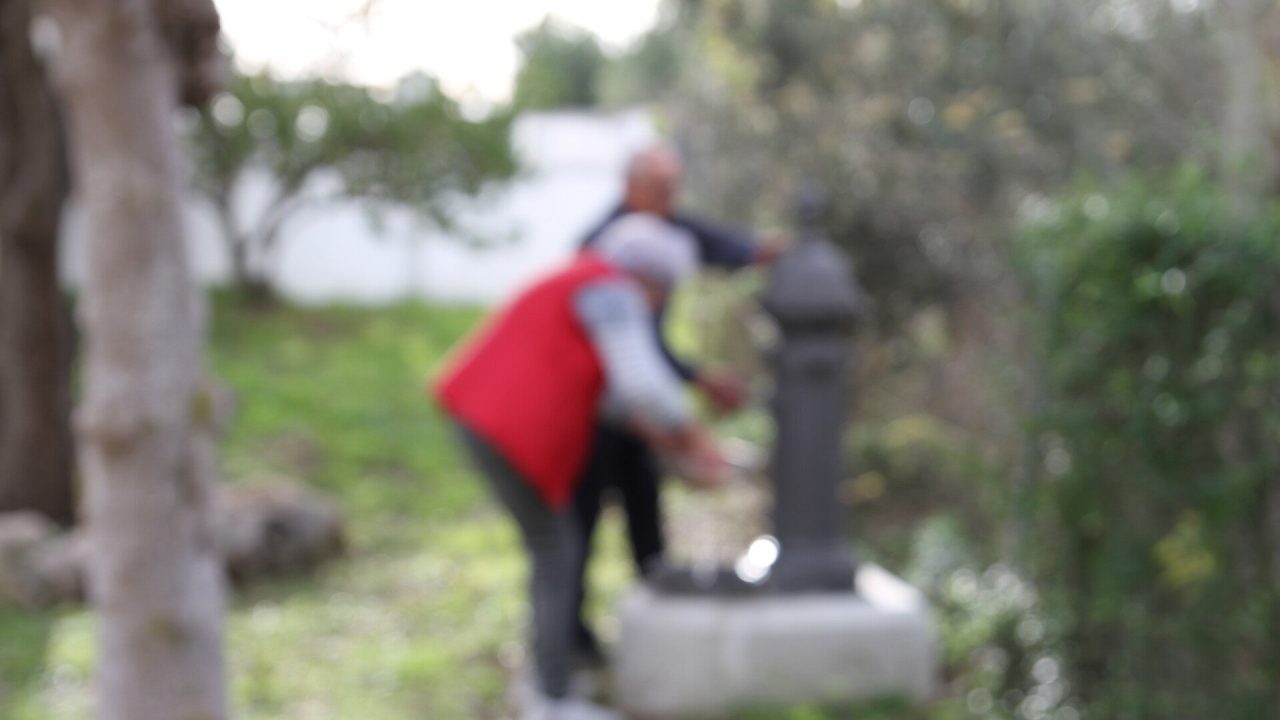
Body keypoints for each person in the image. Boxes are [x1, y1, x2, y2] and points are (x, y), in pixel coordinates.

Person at [432, 214, 727, 720]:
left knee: (553, 548)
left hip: (483, 419)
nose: (659, 303)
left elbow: (611, 395)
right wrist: (697, 439)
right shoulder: (610, 288)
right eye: (664, 290)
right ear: (649, 277)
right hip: (500, 427)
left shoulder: (582, 278)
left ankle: (548, 684)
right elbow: (643, 383)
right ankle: (550, 699)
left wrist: (663, 438)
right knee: (556, 549)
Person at [570, 145, 779, 665]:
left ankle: (655, 610)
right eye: (661, 189)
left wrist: (761, 250)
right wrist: (693, 435)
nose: (671, 200)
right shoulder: (607, 260)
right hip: (593, 412)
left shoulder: (659, 233)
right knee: (578, 525)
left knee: (644, 504)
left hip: (626, 412)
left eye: (674, 189)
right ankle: (571, 640)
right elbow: (635, 366)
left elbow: (713, 242)